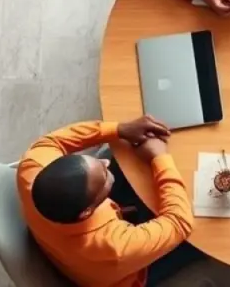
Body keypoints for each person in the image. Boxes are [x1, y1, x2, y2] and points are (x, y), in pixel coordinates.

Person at [17, 116, 201, 287]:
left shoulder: (32, 168)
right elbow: (180, 222)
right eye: (103, 176)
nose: (105, 162)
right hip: (122, 275)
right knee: (201, 239)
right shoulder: (115, 248)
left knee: (126, 159)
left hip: (68, 250)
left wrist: (120, 129)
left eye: (96, 163)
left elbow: (53, 141)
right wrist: (159, 158)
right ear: (87, 212)